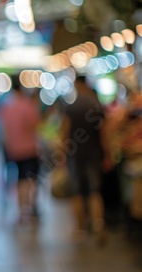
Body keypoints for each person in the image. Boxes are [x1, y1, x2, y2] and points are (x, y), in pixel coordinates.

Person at [60, 75, 113, 244]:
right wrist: (108, 154)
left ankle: (80, 228)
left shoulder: (71, 106)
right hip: (94, 154)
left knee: (77, 192)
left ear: (76, 84)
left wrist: (62, 153)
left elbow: (65, 133)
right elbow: (104, 134)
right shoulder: (96, 106)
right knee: (94, 191)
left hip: (75, 156)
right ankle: (98, 224)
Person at [0, 74, 41, 223]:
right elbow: (35, 127)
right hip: (30, 149)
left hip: (14, 149)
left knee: (20, 181)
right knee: (31, 180)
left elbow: (4, 131)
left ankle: (22, 210)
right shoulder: (28, 106)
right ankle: (32, 207)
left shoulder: (7, 107)